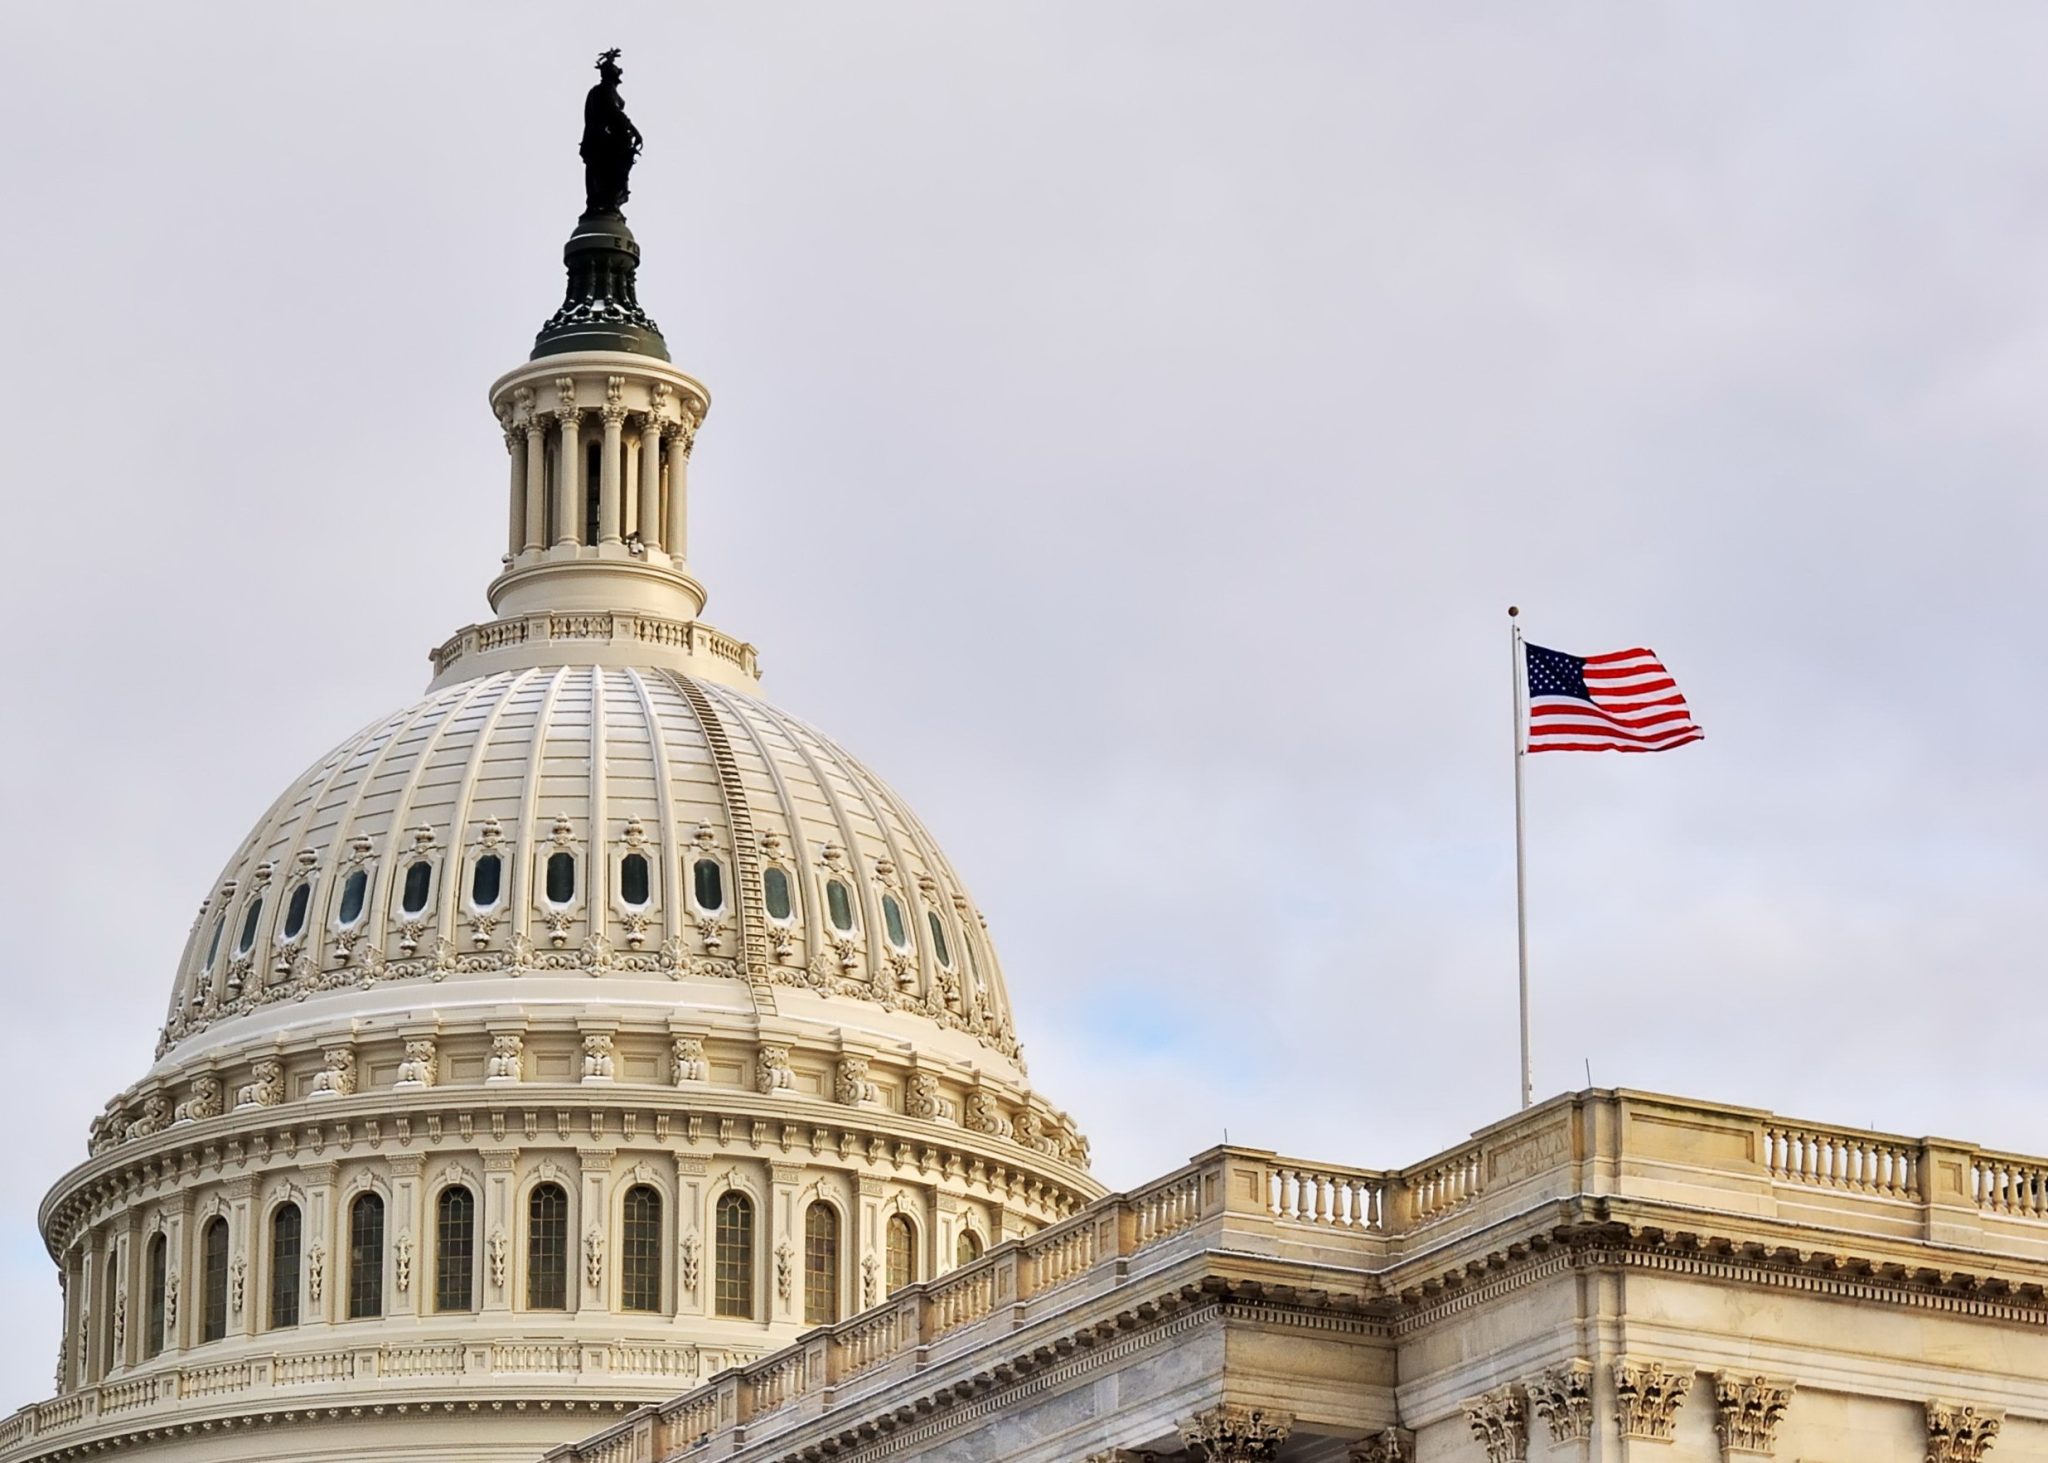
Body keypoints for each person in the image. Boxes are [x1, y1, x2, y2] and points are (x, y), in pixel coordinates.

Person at [581, 48, 643, 214]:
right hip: (603, 142)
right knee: (604, 174)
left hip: (611, 142)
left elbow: (615, 114)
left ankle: (610, 204)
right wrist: (632, 128)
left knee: (612, 175)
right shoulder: (602, 90)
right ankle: (605, 204)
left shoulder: (606, 90)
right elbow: (612, 112)